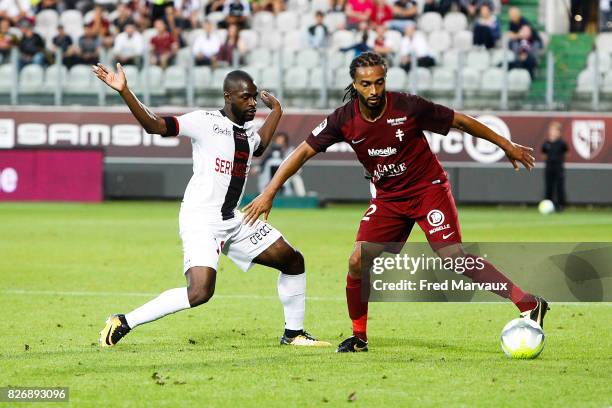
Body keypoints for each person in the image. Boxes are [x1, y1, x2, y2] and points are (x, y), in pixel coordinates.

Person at [243, 52, 549, 352]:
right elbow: (302, 152)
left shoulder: (408, 106)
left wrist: (506, 145)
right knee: (357, 260)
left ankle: (530, 303)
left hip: (427, 189)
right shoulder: (343, 120)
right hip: (389, 199)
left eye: (379, 82)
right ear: (354, 83)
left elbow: (461, 122)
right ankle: (359, 338)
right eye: (365, 84)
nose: (373, 90)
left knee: (453, 258)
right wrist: (269, 192)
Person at [93, 63, 330, 348]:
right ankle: (123, 321)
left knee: (293, 260)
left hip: (235, 221)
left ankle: (294, 334)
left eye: (255, 97)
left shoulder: (246, 131)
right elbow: (154, 125)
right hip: (201, 220)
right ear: (228, 97)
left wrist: (277, 112)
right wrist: (125, 91)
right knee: (200, 292)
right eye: (246, 97)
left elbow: (261, 145)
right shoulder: (204, 121)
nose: (253, 103)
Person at [541, 121, 568, 212]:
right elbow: (543, 154)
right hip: (549, 168)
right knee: (549, 187)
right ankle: (548, 204)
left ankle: (561, 205)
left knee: (559, 187)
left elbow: (567, 153)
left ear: (559, 132)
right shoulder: (546, 143)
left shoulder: (562, 143)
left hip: (559, 168)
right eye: (551, 130)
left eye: (555, 130)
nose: (552, 132)